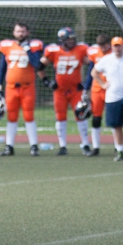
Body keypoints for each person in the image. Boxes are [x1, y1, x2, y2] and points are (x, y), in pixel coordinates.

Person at [38, 27, 92, 155]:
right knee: (60, 117)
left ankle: (85, 144)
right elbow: (40, 67)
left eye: (73, 39)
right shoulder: (53, 51)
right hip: (60, 91)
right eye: (69, 39)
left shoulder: (80, 49)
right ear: (62, 40)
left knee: (81, 116)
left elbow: (92, 63)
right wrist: (47, 82)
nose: (72, 41)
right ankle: (62, 146)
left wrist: (87, 82)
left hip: (76, 90)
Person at [91, 37, 123, 162]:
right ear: (112, 46)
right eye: (115, 45)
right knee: (116, 126)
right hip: (112, 98)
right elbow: (94, 72)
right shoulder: (106, 59)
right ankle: (119, 150)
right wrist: (102, 84)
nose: (117, 48)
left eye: (119, 45)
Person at [0, 22, 44, 156]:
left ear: (27, 33)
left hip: (27, 87)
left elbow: (36, 65)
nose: (20, 34)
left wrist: (27, 49)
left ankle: (33, 146)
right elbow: (2, 68)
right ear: (13, 32)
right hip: (11, 87)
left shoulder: (33, 47)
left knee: (28, 116)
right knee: (11, 116)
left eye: (23, 31)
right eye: (18, 31)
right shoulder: (7, 46)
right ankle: (9, 146)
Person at [84, 34, 112, 156]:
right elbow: (91, 71)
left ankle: (118, 147)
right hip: (97, 89)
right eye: (101, 46)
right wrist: (85, 89)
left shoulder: (115, 52)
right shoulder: (94, 53)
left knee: (114, 118)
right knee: (96, 118)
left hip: (111, 88)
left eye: (105, 45)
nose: (104, 48)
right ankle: (96, 147)